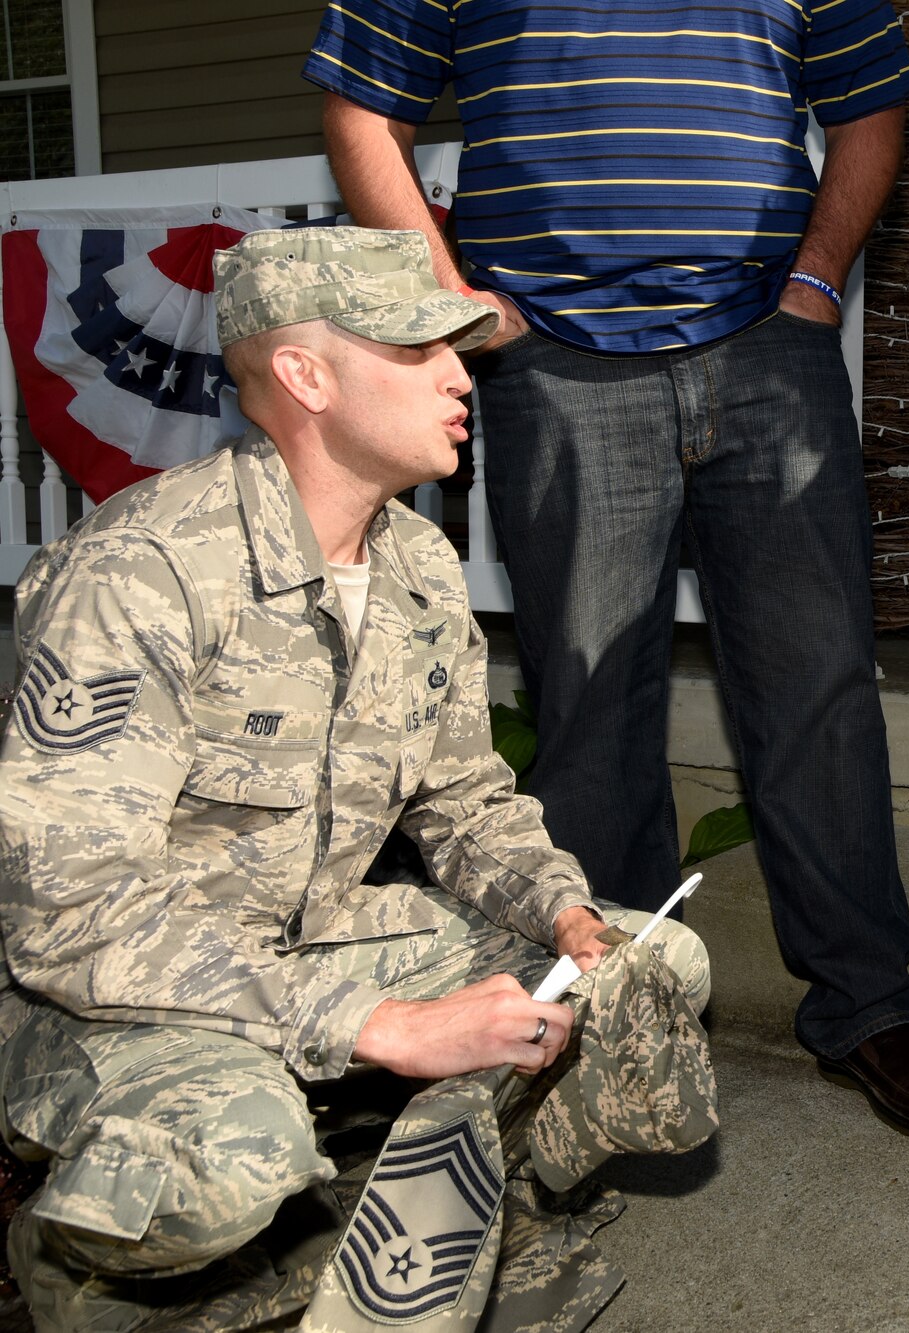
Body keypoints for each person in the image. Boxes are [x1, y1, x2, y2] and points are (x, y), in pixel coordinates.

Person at [0, 227, 716, 1331]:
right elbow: (68, 909)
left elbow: (465, 803)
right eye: (420, 349)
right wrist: (373, 1020)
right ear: (305, 375)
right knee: (232, 1155)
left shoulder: (417, 566)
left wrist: (560, 907)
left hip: (312, 939)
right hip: (120, 991)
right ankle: (71, 1270)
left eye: (460, 350)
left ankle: (414, 1210)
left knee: (646, 966)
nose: (457, 375)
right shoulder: (142, 572)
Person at [306, 0, 909, 1138]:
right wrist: (457, 300)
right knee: (588, 707)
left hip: (770, 346)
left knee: (817, 690)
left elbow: (873, 101)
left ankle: (867, 1006)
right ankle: (621, 1024)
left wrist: (819, 278)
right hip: (556, 365)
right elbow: (360, 103)